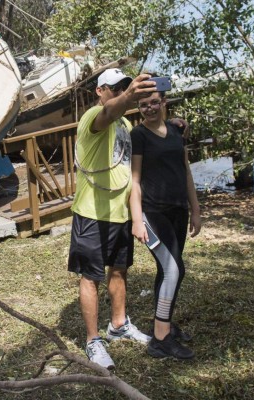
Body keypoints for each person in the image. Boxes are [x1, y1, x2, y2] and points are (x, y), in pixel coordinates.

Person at [68, 68, 159, 370]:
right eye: (115, 87)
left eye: (124, 86)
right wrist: (130, 95)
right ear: (99, 90)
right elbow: (109, 110)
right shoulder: (94, 117)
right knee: (91, 277)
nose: (120, 91)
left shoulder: (124, 123)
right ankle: (93, 340)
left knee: (119, 272)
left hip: (120, 213)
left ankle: (118, 324)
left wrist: (172, 124)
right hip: (92, 213)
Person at [129, 79, 201, 360]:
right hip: (152, 212)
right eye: (143, 104)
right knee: (174, 270)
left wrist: (194, 209)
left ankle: (165, 323)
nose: (148, 107)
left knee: (166, 271)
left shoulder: (176, 130)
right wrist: (137, 219)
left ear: (164, 103)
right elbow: (134, 180)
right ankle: (160, 339)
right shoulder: (138, 135)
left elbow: (185, 171)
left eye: (154, 102)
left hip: (177, 210)